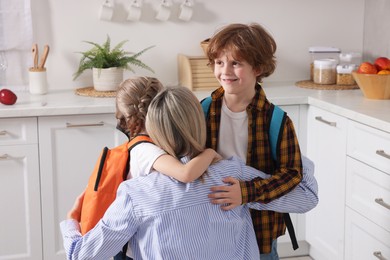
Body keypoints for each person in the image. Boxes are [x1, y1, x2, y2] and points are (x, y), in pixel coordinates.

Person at [60, 86, 318, 260]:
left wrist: (72, 221)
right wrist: (288, 151)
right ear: (200, 122)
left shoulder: (136, 195)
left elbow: (82, 255)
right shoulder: (234, 177)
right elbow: (306, 198)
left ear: (153, 133)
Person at [204, 23, 305, 259]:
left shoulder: (276, 119)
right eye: (219, 62)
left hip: (260, 228)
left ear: (258, 68)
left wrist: (246, 192)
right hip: (213, 223)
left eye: (235, 63)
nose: (225, 71)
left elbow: (292, 173)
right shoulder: (203, 110)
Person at [112, 77, 222, 260]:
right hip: (135, 251)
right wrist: (209, 153)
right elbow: (185, 174)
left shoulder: (150, 144)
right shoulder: (146, 150)